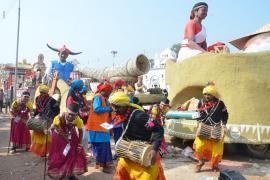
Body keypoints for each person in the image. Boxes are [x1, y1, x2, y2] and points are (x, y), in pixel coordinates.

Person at [109, 91, 166, 180]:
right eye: (113, 106)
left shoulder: (139, 116)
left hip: (145, 153)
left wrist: (154, 150)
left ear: (125, 106)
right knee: (121, 170)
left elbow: (158, 128)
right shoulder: (123, 114)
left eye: (117, 107)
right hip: (130, 152)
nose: (114, 109)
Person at [193, 81, 228, 172]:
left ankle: (215, 165)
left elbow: (225, 114)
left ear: (213, 95)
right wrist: (198, 122)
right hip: (203, 128)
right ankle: (200, 162)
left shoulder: (220, 104)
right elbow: (197, 113)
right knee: (199, 146)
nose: (207, 96)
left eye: (209, 94)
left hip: (216, 129)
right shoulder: (201, 102)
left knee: (217, 150)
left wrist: (224, 124)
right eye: (205, 94)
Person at [47, 102, 87, 180]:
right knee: (61, 156)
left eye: (73, 115)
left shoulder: (78, 120)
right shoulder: (59, 118)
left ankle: (70, 174)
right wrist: (48, 130)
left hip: (71, 135)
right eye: (69, 114)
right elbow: (56, 128)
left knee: (73, 154)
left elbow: (81, 132)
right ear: (66, 111)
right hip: (59, 137)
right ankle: (60, 174)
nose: (70, 116)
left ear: (76, 115)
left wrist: (79, 145)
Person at [86, 82, 114, 173]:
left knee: (105, 145)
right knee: (100, 147)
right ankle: (101, 166)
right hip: (96, 126)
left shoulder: (104, 98)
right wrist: (108, 108)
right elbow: (96, 109)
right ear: (105, 91)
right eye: (109, 92)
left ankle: (104, 164)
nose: (110, 93)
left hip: (103, 126)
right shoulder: (98, 97)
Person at [30, 84, 60, 157]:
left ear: (47, 93)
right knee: (39, 134)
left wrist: (53, 118)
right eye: (41, 93)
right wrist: (34, 117)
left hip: (48, 120)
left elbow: (57, 110)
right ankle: (41, 152)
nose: (42, 94)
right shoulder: (37, 99)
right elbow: (37, 109)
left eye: (44, 93)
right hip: (40, 119)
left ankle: (48, 151)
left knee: (46, 136)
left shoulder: (52, 100)